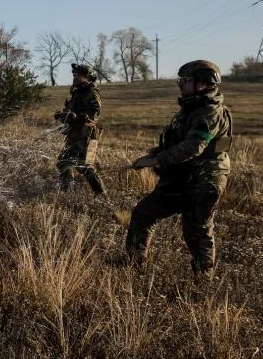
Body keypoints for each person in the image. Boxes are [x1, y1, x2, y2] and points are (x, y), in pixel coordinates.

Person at [126, 60, 233, 276]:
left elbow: (193, 146)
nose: (181, 84)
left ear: (202, 84)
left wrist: (156, 161)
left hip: (204, 180)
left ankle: (203, 282)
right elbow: (176, 141)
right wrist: (154, 154)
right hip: (183, 176)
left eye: (186, 80)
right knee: (143, 214)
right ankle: (134, 268)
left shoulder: (209, 112)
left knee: (197, 231)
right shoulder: (191, 108)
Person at [54, 63, 105, 194]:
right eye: (75, 75)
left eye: (79, 75)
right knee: (63, 161)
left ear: (87, 77)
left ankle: (101, 195)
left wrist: (77, 117)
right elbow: (70, 110)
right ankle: (66, 190)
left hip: (88, 135)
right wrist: (63, 115)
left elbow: (94, 115)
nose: (75, 77)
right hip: (74, 134)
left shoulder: (92, 92)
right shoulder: (76, 91)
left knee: (85, 166)